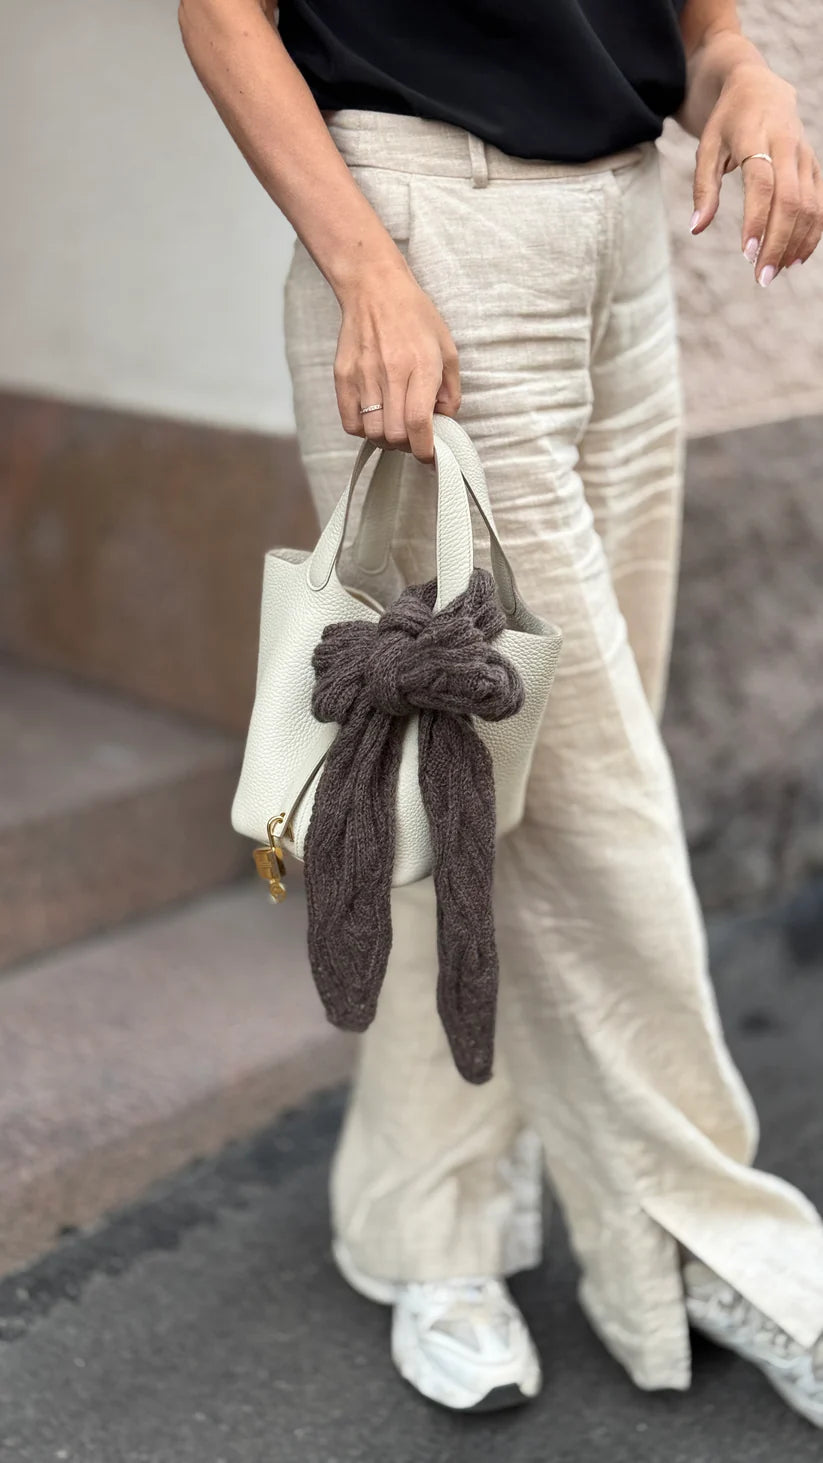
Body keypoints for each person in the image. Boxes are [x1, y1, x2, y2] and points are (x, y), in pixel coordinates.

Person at [179, 0, 823, 1423]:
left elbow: (696, 25)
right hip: (426, 241)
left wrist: (741, 72)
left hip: (626, 245)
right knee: (593, 811)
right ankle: (732, 1246)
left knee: (476, 795)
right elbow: (222, 15)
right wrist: (365, 264)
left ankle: (432, 1228)